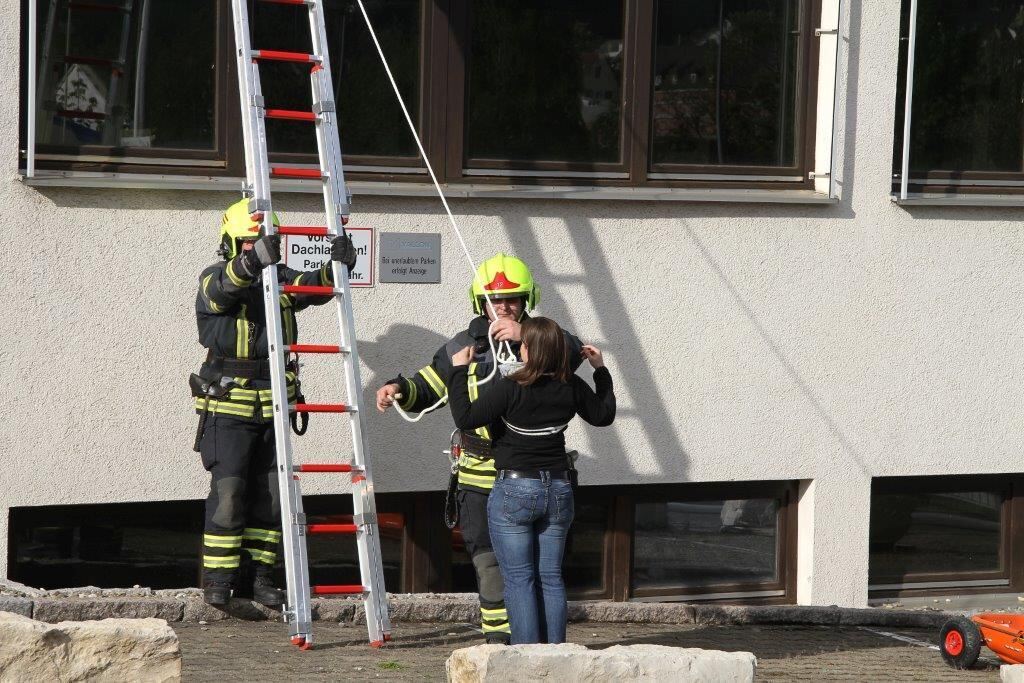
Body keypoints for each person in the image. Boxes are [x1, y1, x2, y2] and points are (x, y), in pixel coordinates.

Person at [374, 254, 583, 644]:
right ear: (480, 304)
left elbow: (573, 353)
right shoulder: (462, 344)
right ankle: (500, 643)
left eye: (513, 299)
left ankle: (539, 645)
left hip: (530, 476)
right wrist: (399, 389)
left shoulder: (545, 341)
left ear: (527, 301)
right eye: (495, 300)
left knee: (540, 569)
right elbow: (431, 384)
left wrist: (526, 338)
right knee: (490, 566)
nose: (503, 307)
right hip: (479, 475)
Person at [192, 199, 357, 606]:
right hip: (228, 408)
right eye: (248, 243)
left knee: (271, 495)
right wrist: (250, 263)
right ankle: (218, 580)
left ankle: (262, 577)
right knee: (229, 493)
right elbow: (223, 290)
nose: (256, 249)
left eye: (263, 243)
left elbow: (312, 287)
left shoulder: (279, 280)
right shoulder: (214, 277)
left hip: (275, 406)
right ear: (231, 243)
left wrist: (337, 266)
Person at [446, 317, 615, 645]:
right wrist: (600, 369)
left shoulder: (510, 386)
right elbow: (603, 415)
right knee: (550, 578)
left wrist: (458, 371)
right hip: (558, 489)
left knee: (520, 580)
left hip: (515, 490)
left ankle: (528, 661)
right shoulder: (571, 387)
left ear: (530, 350)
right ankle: (556, 655)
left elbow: (466, 418)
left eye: (523, 344)